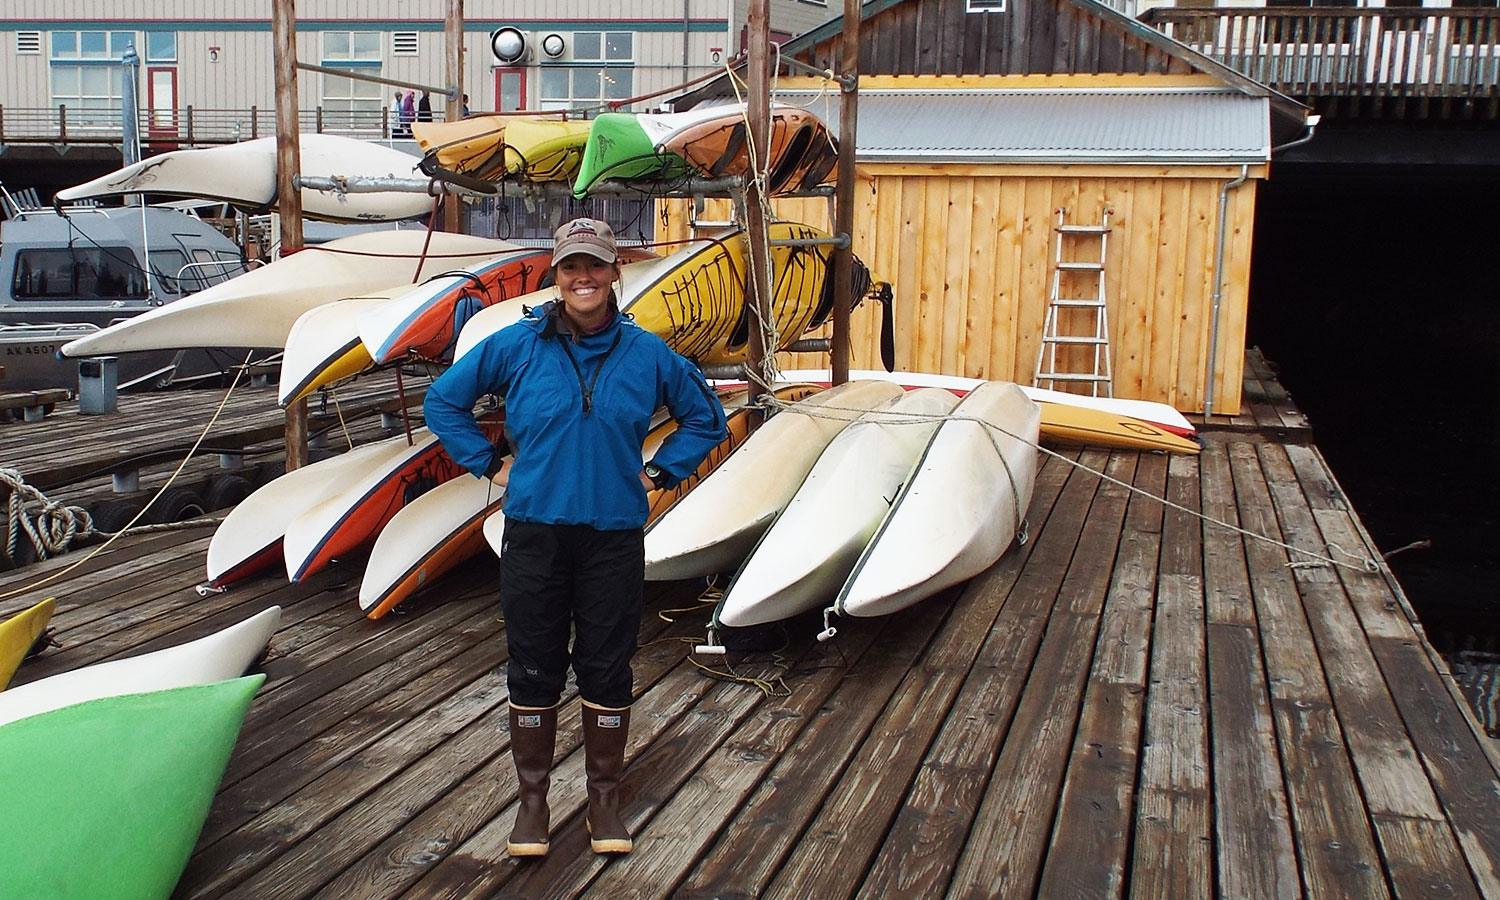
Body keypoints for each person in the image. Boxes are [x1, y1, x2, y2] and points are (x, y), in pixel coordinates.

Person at [424, 218, 727, 859]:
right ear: (555, 276)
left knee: (606, 665)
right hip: (535, 534)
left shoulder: (648, 354)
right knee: (533, 664)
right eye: (569, 268)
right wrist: (486, 462)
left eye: (594, 265)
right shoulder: (517, 345)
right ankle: (533, 804)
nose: (582, 278)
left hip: (613, 536)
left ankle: (603, 800)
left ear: (614, 272)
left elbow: (707, 418)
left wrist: (659, 473)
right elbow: (443, 402)